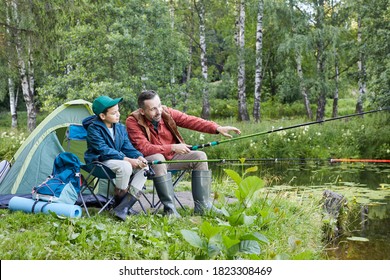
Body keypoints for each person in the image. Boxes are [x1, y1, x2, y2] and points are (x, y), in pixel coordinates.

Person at [126, 90, 241, 217]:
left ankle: (203, 206)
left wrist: (217, 128)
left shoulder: (166, 112)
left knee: (200, 156)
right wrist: (172, 147)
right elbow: (144, 148)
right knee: (159, 158)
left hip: (172, 158)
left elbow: (190, 120)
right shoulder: (133, 121)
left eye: (159, 105)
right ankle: (170, 210)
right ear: (142, 111)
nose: (158, 111)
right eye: (153, 109)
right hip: (150, 163)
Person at [83, 95, 148, 221]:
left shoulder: (120, 128)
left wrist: (139, 157)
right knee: (125, 166)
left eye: (118, 111)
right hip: (99, 161)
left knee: (145, 168)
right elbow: (103, 150)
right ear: (102, 116)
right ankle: (118, 204)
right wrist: (128, 160)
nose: (118, 114)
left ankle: (123, 207)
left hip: (118, 161)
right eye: (114, 113)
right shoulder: (93, 129)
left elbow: (127, 147)